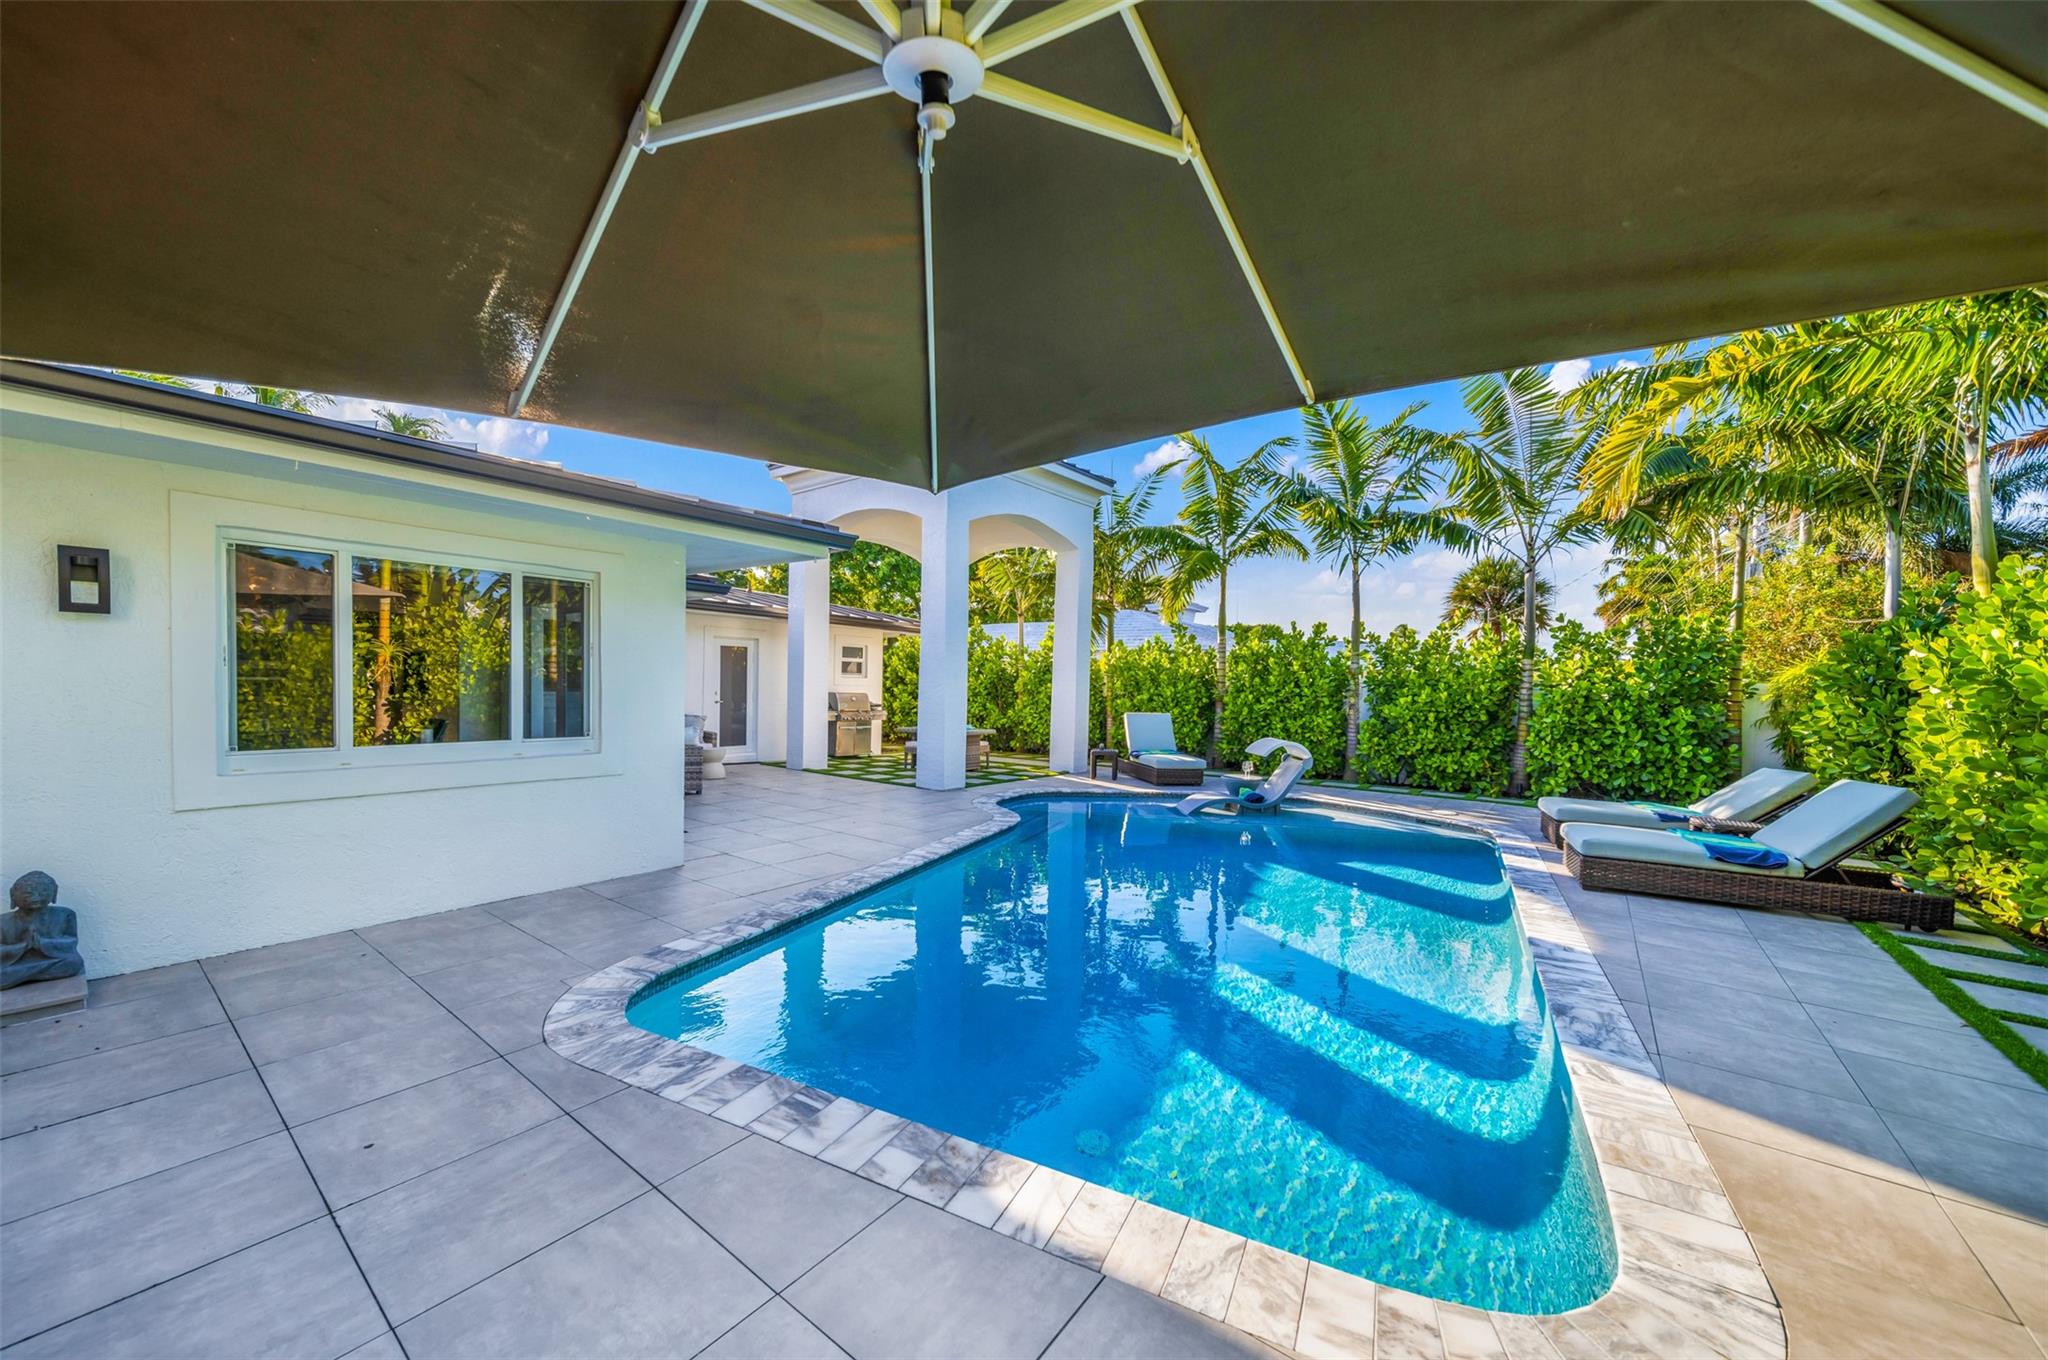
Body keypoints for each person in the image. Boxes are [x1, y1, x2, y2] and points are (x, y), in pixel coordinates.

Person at [1, 871, 82, 989]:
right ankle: (27, 974)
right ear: (13, 895)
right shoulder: (3, 921)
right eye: (28, 893)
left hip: (51, 959)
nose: (35, 897)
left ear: (54, 892)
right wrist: (23, 946)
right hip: (16, 963)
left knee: (74, 962)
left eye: (43, 892)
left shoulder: (66, 914)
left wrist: (42, 943)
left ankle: (21, 976)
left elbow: (72, 941)